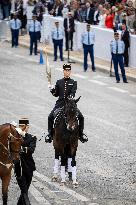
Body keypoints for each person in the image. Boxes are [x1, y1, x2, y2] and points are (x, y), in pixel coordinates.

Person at [45, 64, 88, 144]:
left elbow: (73, 92)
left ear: (70, 72)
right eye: (66, 70)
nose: (67, 72)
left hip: (70, 105)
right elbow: (56, 94)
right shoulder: (59, 82)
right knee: (50, 117)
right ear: (63, 71)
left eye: (69, 71)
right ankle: (50, 134)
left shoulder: (73, 82)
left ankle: (81, 134)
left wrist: (70, 97)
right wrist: (52, 89)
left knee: (81, 117)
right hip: (60, 104)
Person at [14, 118, 37, 205]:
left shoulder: (32, 138)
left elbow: (31, 150)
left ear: (27, 127)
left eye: (24, 126)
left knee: (25, 190)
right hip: (19, 168)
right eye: (21, 126)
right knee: (24, 191)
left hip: (29, 167)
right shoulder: (15, 137)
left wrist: (20, 148)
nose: (23, 128)